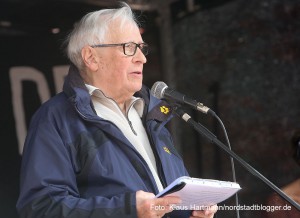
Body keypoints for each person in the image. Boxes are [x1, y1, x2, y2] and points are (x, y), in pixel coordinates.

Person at [16, 2, 217, 218]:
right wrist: (128, 210)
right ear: (91, 58)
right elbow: (40, 208)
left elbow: (168, 203)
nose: (142, 58)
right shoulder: (55, 119)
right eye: (129, 47)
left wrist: (192, 213)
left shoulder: (152, 115)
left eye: (142, 48)